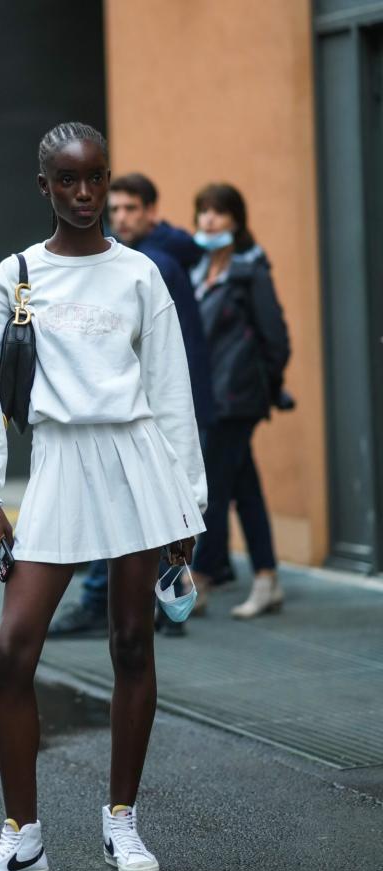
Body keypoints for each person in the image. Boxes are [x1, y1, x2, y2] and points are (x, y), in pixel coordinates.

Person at [0, 122, 207, 871]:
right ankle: (22, 840)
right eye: (68, 180)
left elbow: (170, 393)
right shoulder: (16, 276)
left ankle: (121, 820)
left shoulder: (140, 275)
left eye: (96, 178)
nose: (85, 194)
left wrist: (186, 507)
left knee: (132, 643)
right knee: (14, 650)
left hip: (136, 464)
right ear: (44, 187)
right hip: (59, 465)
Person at [48, 172, 214, 639]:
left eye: (129, 209)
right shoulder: (153, 260)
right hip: (154, 404)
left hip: (155, 407)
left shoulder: (146, 267)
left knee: (145, 503)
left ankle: (118, 601)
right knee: (153, 505)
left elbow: (169, 354)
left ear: (151, 212)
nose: (119, 217)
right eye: (115, 209)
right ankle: (163, 604)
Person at [189, 183, 290, 619]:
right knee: (243, 487)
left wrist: (264, 386)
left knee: (211, 487)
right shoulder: (196, 271)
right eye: (203, 213)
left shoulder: (251, 272)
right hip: (209, 398)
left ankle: (203, 578)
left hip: (237, 399)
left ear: (236, 220)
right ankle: (267, 577)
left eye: (218, 212)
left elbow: (277, 339)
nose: (209, 220)